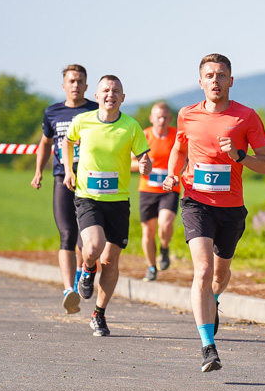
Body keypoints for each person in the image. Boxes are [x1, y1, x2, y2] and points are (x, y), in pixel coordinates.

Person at [163, 53, 265, 372]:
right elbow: (179, 149)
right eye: (209, 75)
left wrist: (239, 156)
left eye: (221, 75)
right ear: (200, 82)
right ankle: (208, 347)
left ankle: (214, 302)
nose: (215, 80)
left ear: (231, 81)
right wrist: (173, 172)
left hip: (231, 208)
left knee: (219, 276)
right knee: (203, 270)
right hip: (195, 201)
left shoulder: (246, 117)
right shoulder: (187, 114)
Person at [62, 75, 151, 337]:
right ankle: (88, 268)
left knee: (111, 261)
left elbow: (144, 157)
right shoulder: (83, 121)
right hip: (87, 196)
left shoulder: (131, 126)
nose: (110, 94)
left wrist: (145, 165)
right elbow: (67, 141)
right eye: (105, 90)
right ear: (97, 96)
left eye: (116, 91)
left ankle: (98, 314)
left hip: (118, 201)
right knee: (93, 246)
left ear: (123, 97)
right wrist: (69, 170)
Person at [30, 64, 98, 315]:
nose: (76, 85)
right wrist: (38, 171)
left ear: (86, 86)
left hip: (89, 180)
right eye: (71, 81)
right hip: (61, 178)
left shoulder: (94, 110)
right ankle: (68, 289)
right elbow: (45, 143)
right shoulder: (53, 112)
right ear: (63, 85)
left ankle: (83, 274)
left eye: (80, 81)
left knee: (85, 238)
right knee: (67, 234)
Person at [132, 102, 180, 281]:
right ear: (152, 118)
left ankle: (165, 247)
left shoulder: (176, 135)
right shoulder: (144, 136)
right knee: (148, 232)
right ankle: (152, 267)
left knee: (166, 223)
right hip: (147, 190)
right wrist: (144, 165)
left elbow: (186, 157)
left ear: (170, 119)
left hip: (170, 187)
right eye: (158, 117)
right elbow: (129, 163)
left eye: (165, 117)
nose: (162, 120)